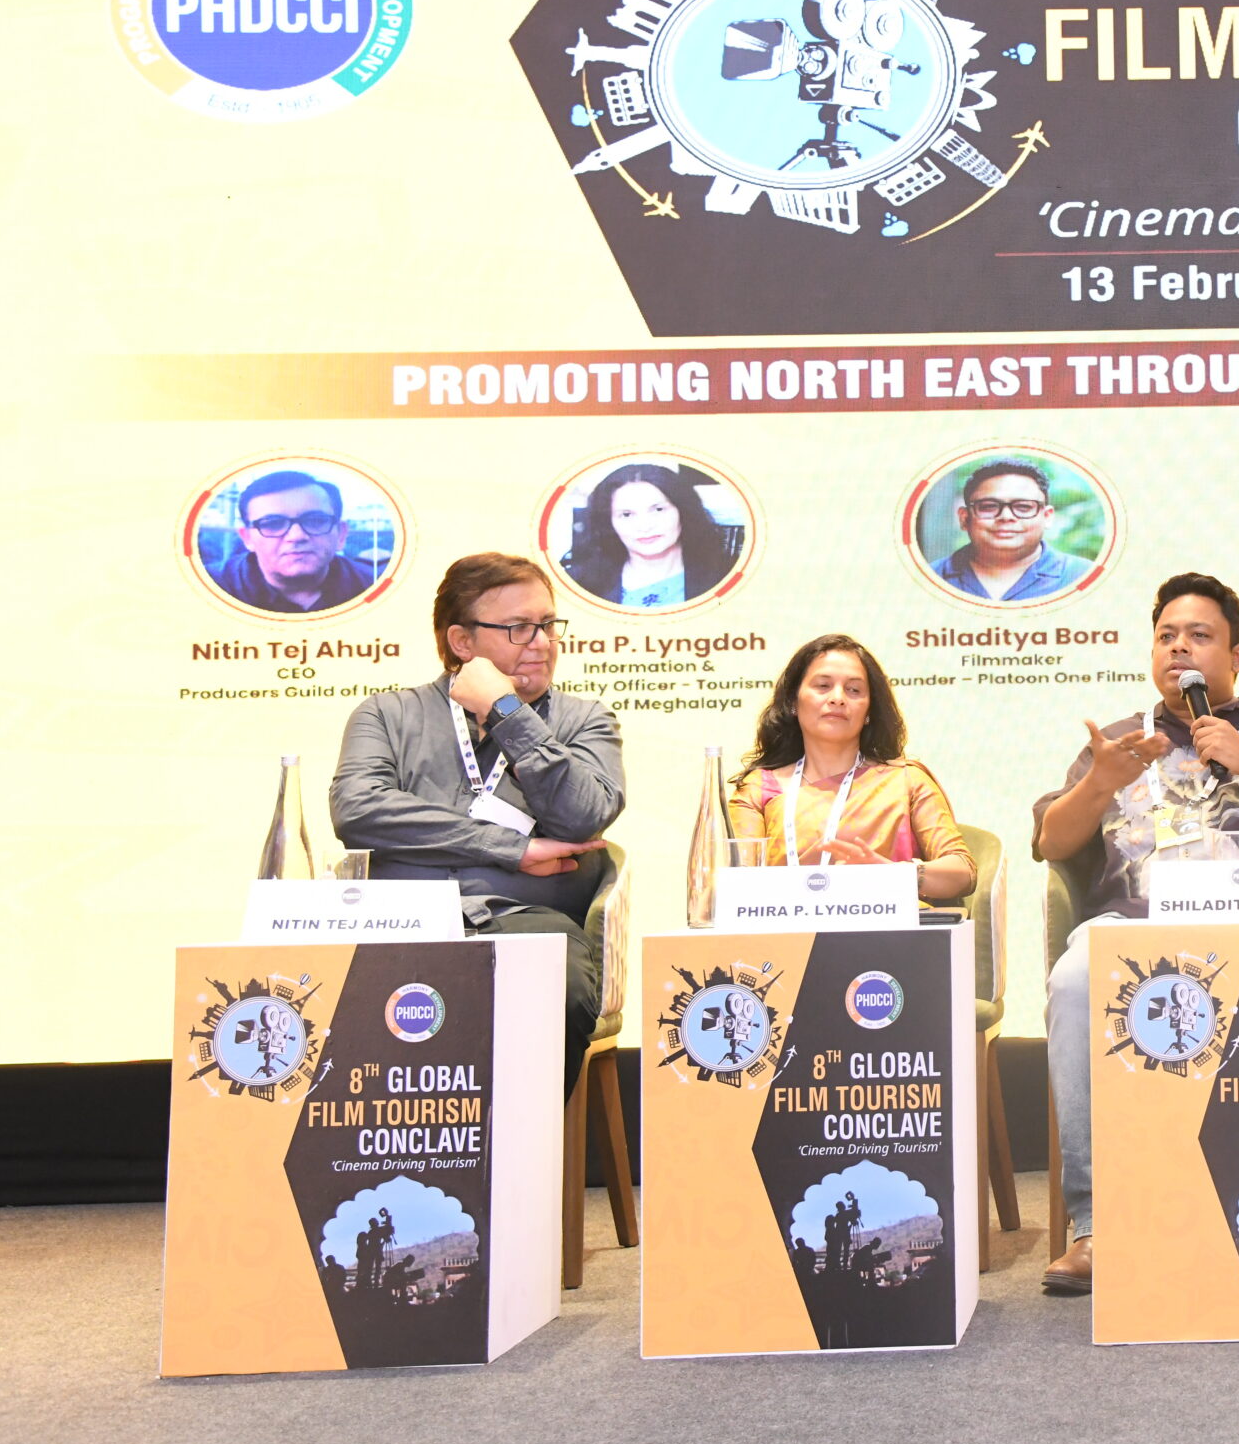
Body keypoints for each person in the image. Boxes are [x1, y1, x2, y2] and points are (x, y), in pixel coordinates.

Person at [1032, 572, 1239, 1295]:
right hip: (1138, 931)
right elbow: (1052, 843)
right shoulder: (1121, 742)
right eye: (1166, 636)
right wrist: (1099, 782)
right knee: (1074, 979)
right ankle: (1094, 1226)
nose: (1178, 647)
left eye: (1199, 636)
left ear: (1237, 656)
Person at [331, 553, 623, 1096]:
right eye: (519, 628)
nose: (542, 642)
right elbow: (358, 810)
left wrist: (507, 713)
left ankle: (521, 1145)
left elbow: (584, 815)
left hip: (525, 923)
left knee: (556, 985)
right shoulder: (388, 715)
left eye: (548, 624)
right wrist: (511, 848)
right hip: (400, 921)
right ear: (462, 642)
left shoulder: (584, 720)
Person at [725, 634, 976, 901]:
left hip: (884, 925)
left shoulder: (905, 780)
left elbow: (963, 872)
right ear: (793, 702)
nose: (838, 698)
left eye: (854, 690)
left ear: (869, 711)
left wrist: (894, 875)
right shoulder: (759, 789)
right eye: (823, 686)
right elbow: (732, 884)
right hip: (784, 923)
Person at [562, 462, 734, 610]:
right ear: (609, 522)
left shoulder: (727, 579)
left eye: (658, 509)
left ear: (683, 511)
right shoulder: (578, 584)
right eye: (626, 515)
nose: (644, 526)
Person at [211, 469, 377, 614]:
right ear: (247, 538)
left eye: (316, 520)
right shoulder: (210, 591)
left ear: (341, 534)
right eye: (273, 523)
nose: (296, 536)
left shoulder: (378, 589)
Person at [929, 458, 1091, 601]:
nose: (1006, 517)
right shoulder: (928, 579)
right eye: (989, 506)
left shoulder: (1085, 578)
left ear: (1047, 517)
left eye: (1023, 507)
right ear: (964, 518)